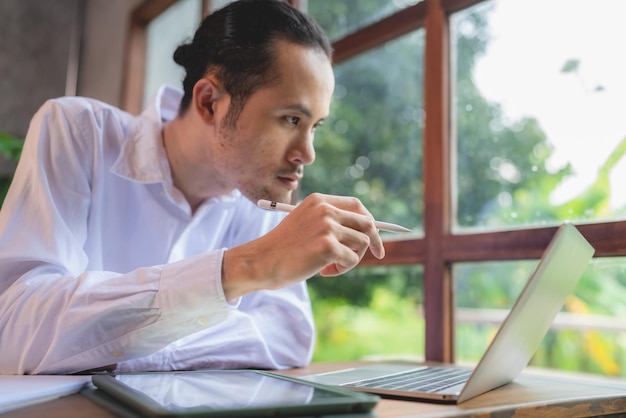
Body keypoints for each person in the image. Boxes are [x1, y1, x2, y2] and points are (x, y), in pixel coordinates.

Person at [0, 0, 385, 375]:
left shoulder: (261, 191)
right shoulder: (79, 132)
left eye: (314, 126)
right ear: (209, 102)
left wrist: (105, 345)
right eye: (290, 119)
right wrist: (245, 266)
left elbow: (288, 334)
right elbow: (14, 327)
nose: (307, 153)